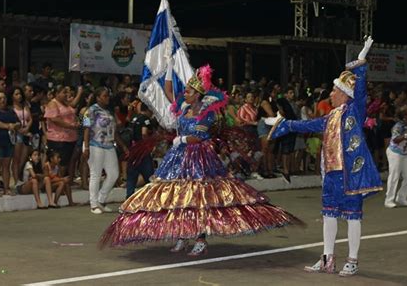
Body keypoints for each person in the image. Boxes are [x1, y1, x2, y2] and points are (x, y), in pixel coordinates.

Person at [100, 65, 302, 255]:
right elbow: (169, 91)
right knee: (178, 198)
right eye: (185, 90)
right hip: (179, 157)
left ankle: (200, 238)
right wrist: (169, 68)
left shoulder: (207, 113)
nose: (184, 93)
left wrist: (182, 139)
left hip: (198, 157)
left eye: (188, 91)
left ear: (198, 95)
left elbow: (199, 137)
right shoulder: (183, 107)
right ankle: (182, 234)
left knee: (199, 199)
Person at [266, 37, 382, 277]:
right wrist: (282, 123)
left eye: (335, 90)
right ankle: (328, 258)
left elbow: (360, 92)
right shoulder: (329, 118)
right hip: (331, 173)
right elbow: (306, 124)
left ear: (344, 94)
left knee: (352, 217)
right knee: (328, 214)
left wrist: (361, 62)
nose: (331, 93)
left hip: (350, 174)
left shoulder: (354, 111)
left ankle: (352, 259)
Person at [83, 87, 129, 214]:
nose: (107, 98)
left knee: (114, 174)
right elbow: (86, 129)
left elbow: (114, 132)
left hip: (109, 145)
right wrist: (86, 147)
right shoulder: (90, 111)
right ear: (97, 97)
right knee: (95, 174)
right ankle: (93, 204)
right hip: (94, 144)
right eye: (104, 96)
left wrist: (123, 146)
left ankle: (101, 200)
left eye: (108, 96)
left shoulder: (109, 112)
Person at [385, 105, 407, 207]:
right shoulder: (398, 126)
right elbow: (396, 140)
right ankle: (388, 200)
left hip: (405, 153)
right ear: (404, 116)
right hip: (395, 153)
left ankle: (401, 197)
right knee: (394, 176)